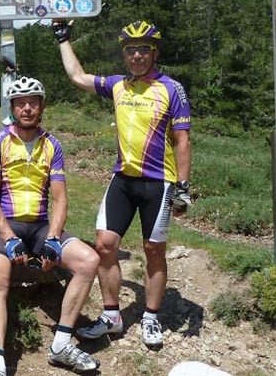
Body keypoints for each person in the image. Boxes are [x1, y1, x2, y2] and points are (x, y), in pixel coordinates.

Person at [51, 18, 192, 350]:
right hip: (123, 180)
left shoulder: (172, 88)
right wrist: (62, 39)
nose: (137, 56)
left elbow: (183, 141)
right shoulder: (118, 85)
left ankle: (151, 316)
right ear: (125, 55)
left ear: (154, 52)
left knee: (153, 249)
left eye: (144, 49)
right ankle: (112, 315)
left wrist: (183, 187)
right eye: (131, 50)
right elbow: (77, 77)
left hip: (159, 183)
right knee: (105, 245)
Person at [0, 76, 102, 376]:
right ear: (12, 108)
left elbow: (60, 200)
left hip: (38, 226)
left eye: (32, 103)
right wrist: (8, 238)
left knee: (89, 261)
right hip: (1, 225)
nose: (27, 109)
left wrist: (53, 237)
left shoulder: (52, 145)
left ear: (42, 107)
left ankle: (61, 344)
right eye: (20, 103)